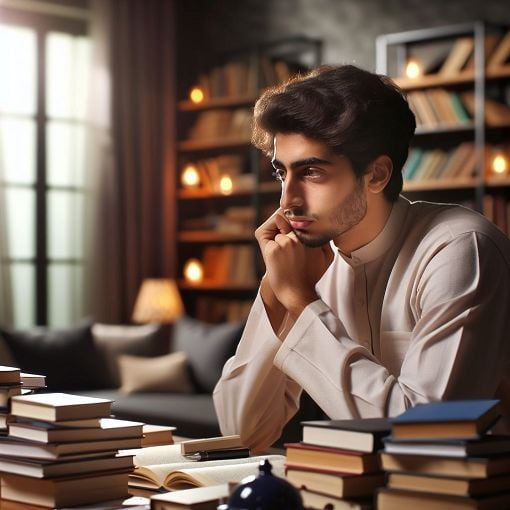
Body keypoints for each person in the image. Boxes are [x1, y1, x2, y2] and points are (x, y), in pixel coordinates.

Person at [213, 65, 510, 453]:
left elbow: (423, 436)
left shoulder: (460, 249)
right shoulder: (305, 264)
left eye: (312, 172)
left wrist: (302, 305)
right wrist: (274, 293)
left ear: (376, 174)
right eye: (281, 173)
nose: (287, 201)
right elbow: (240, 434)